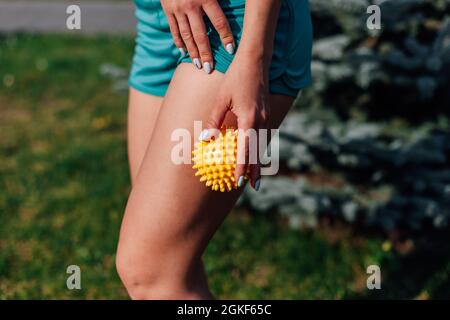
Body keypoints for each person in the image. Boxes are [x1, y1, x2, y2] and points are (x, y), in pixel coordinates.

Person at [116, 0, 312, 299]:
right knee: (173, 266)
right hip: (160, 19)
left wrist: (254, 54)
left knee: (150, 271)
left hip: (235, 26)